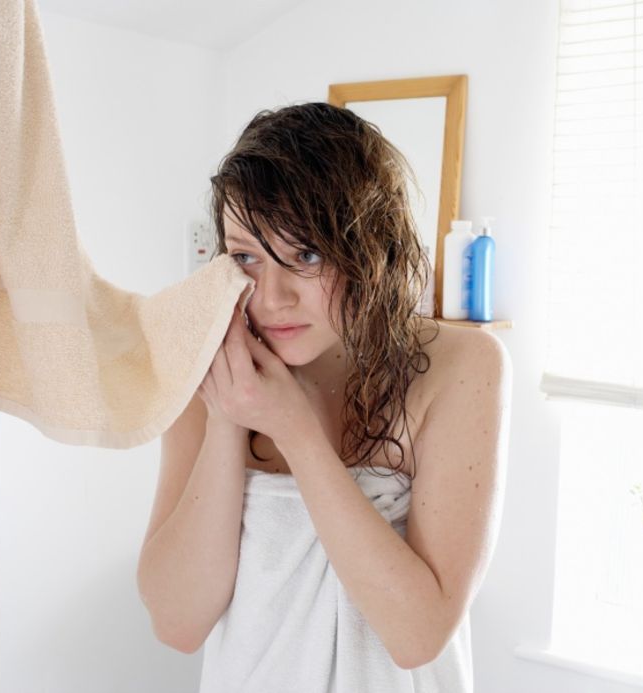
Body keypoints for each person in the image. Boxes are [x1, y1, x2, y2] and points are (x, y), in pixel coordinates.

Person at [136, 102, 511, 692]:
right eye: (247, 258)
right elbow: (178, 624)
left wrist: (296, 431)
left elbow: (417, 637)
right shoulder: (202, 367)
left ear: (372, 248)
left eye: (306, 255)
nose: (272, 296)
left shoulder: (461, 367)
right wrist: (231, 417)